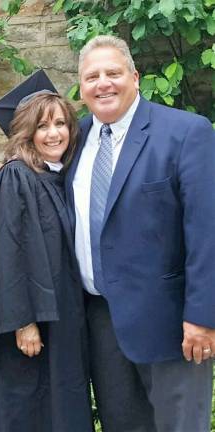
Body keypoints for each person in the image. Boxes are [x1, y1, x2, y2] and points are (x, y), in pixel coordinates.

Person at [65, 35, 215, 432]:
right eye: (92, 76)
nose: (103, 83)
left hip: (170, 326)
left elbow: (206, 231)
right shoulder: (73, 141)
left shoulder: (186, 132)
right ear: (81, 88)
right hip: (100, 322)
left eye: (113, 73)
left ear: (135, 76)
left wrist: (202, 316)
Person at [0, 71, 93, 432]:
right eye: (42, 126)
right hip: (32, 329)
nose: (54, 133)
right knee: (32, 410)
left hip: (61, 322)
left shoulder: (57, 177)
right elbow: (9, 252)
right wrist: (24, 322)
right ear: (26, 132)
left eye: (60, 123)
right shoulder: (16, 177)